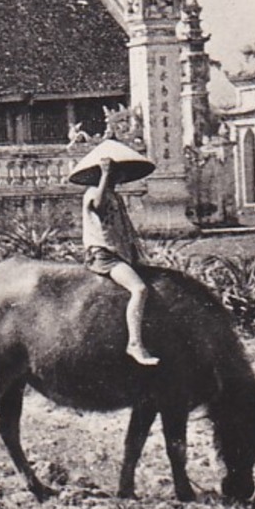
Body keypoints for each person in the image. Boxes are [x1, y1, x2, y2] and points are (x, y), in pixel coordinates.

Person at [75, 146, 159, 366]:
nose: (120, 176)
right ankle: (134, 344)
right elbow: (99, 207)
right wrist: (104, 174)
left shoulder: (115, 196)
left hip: (118, 253)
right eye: (116, 171)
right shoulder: (94, 192)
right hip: (103, 254)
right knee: (139, 289)